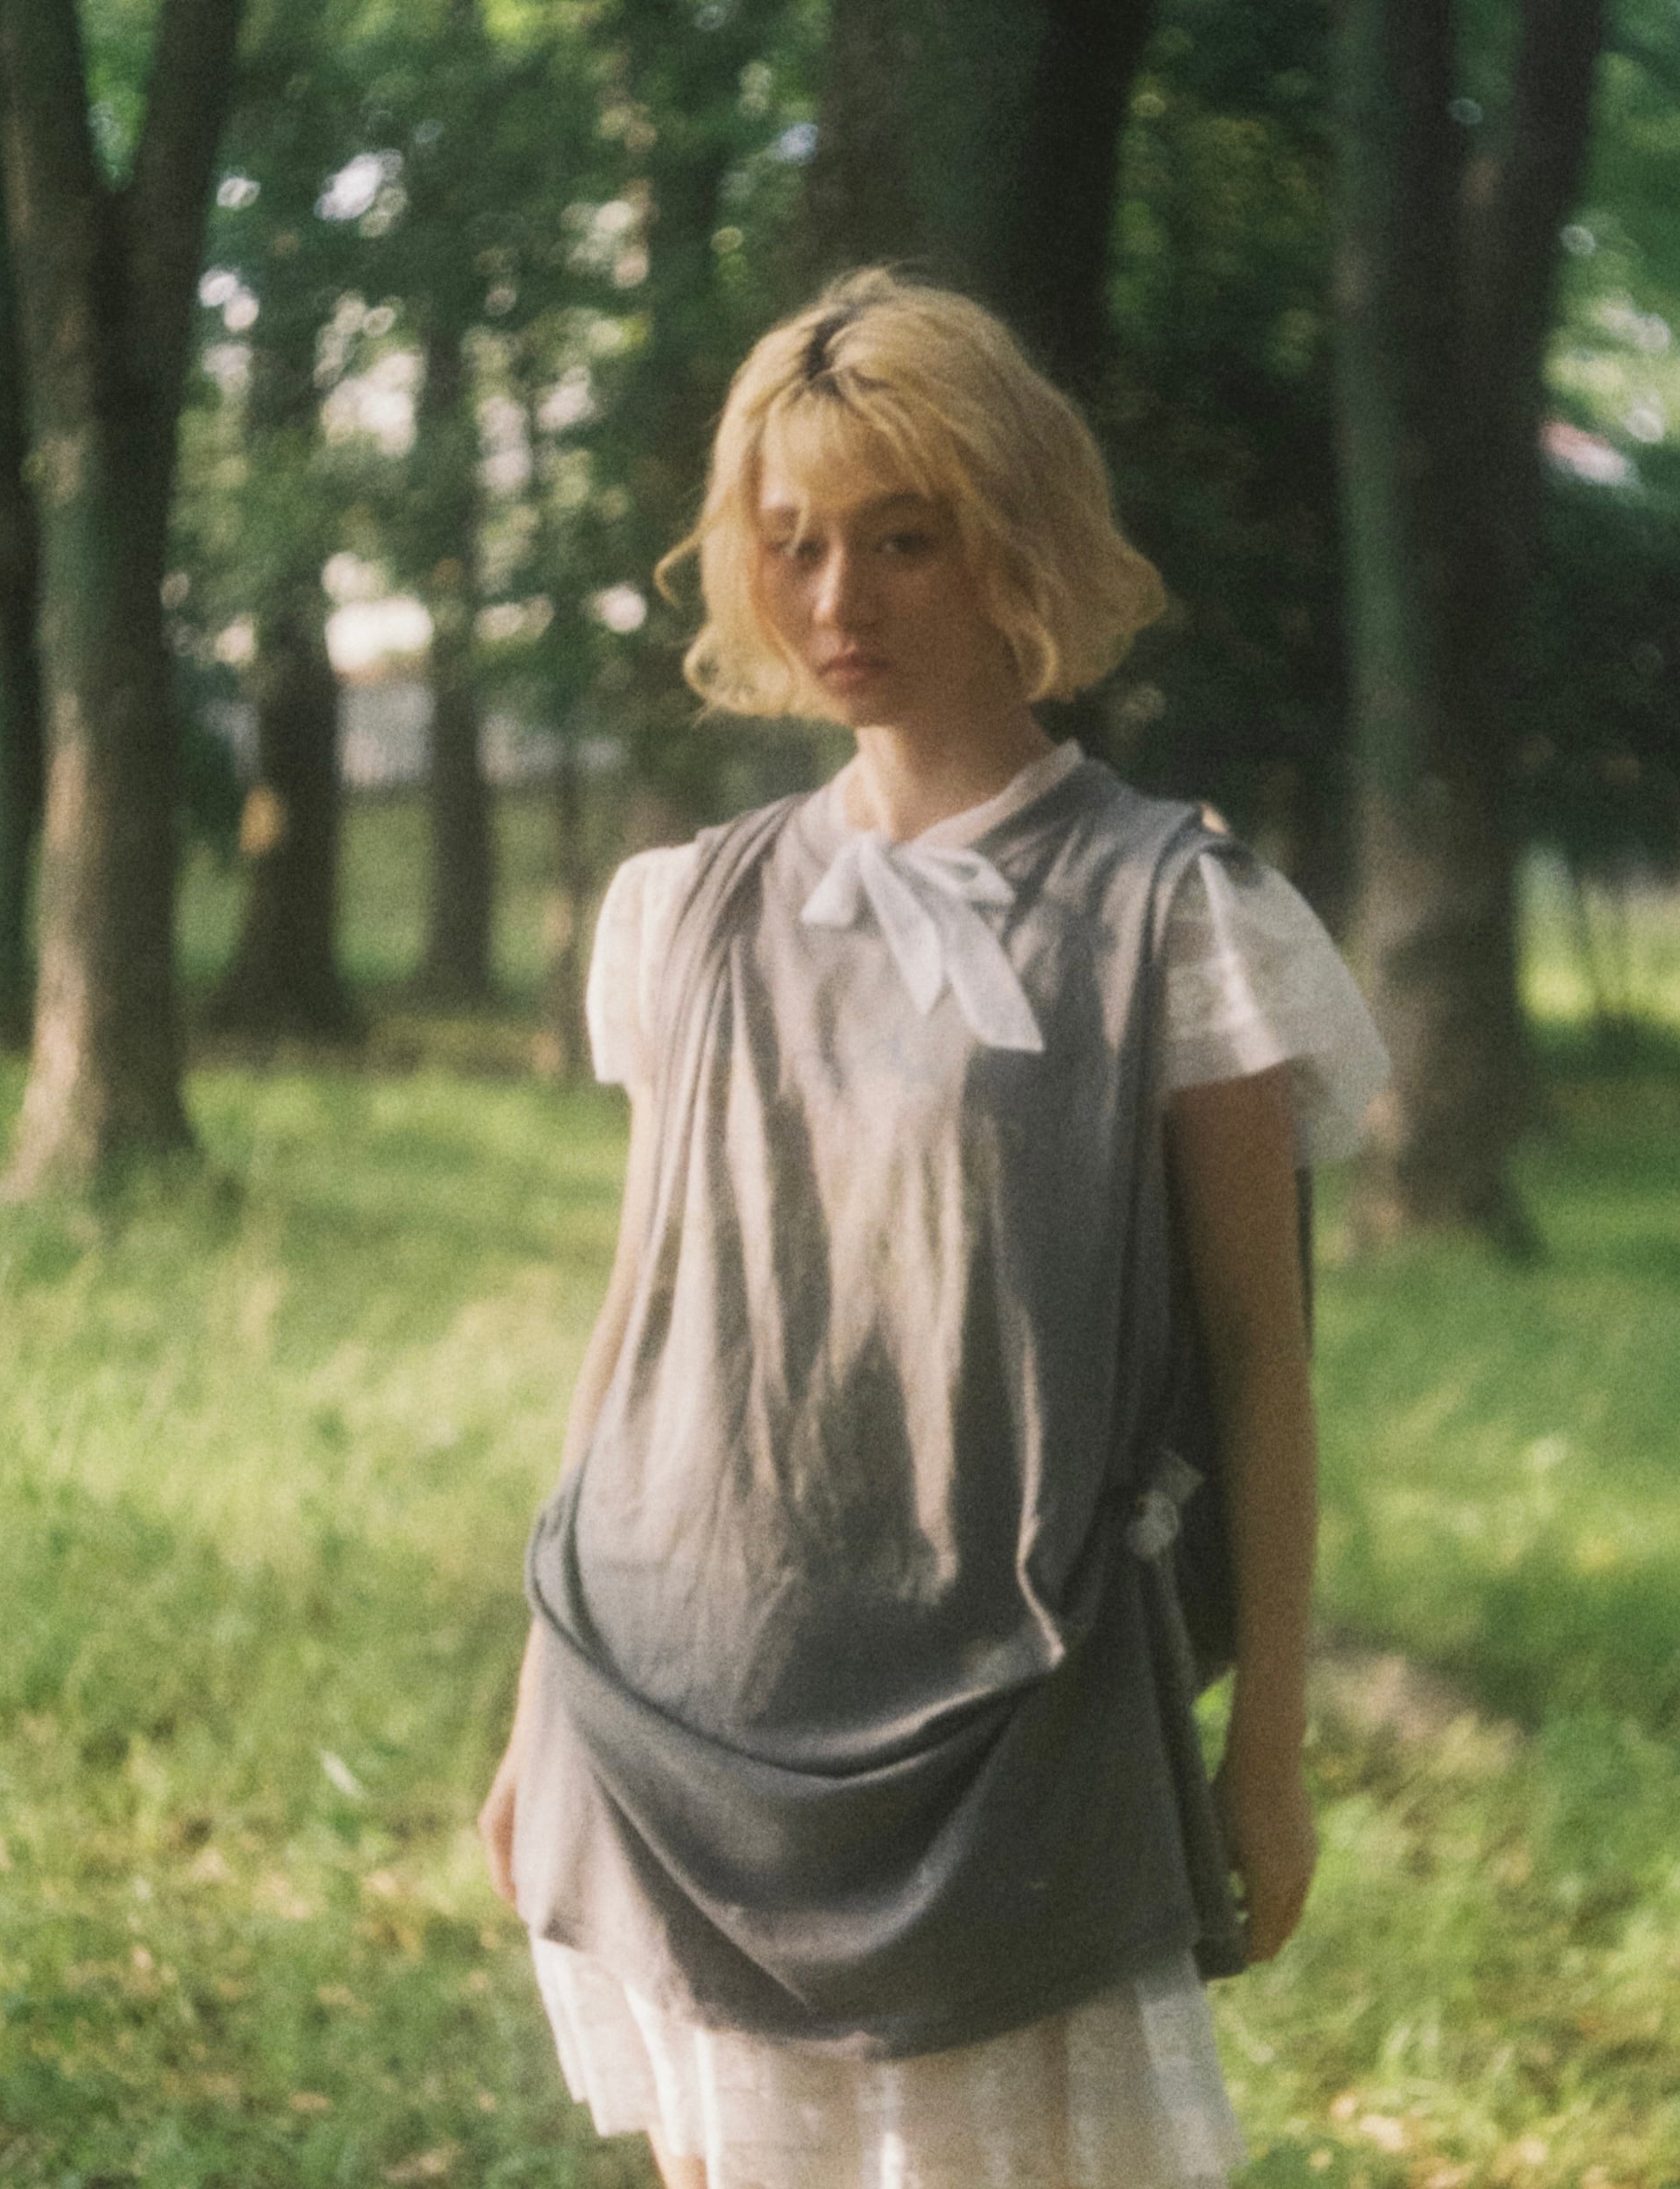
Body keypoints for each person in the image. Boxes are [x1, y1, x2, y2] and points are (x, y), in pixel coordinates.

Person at [476, 267, 1388, 2189]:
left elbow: (1261, 1361)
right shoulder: (692, 908)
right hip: (680, 1712)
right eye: (794, 542)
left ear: (1014, 544)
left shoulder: (1171, 915)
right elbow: (645, 1318)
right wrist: (540, 1692)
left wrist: (1268, 1749)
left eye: (905, 538)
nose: (840, 601)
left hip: (1012, 1738)